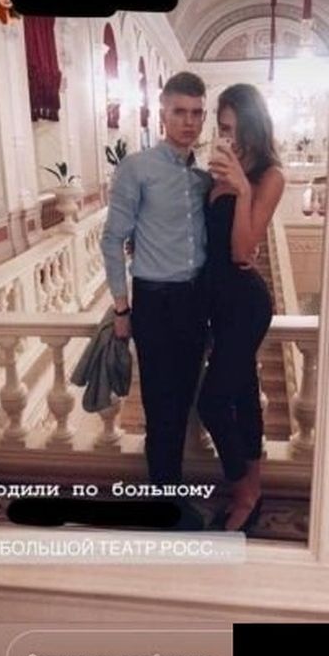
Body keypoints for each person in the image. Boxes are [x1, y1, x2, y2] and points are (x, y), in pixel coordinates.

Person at [100, 72, 211, 484]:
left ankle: (170, 488)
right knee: (161, 404)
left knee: (184, 402)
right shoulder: (137, 168)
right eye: (180, 111)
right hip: (155, 302)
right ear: (162, 114)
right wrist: (121, 307)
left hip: (195, 301)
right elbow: (113, 239)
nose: (189, 121)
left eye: (197, 113)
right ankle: (165, 495)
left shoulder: (203, 177)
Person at [197, 84, 285, 532]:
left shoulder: (270, 175)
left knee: (212, 402)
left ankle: (244, 490)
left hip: (246, 304)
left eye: (233, 127)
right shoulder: (218, 172)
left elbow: (241, 250)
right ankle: (252, 489)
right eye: (222, 128)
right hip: (217, 302)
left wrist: (242, 191)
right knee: (244, 395)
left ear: (252, 124)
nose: (227, 137)